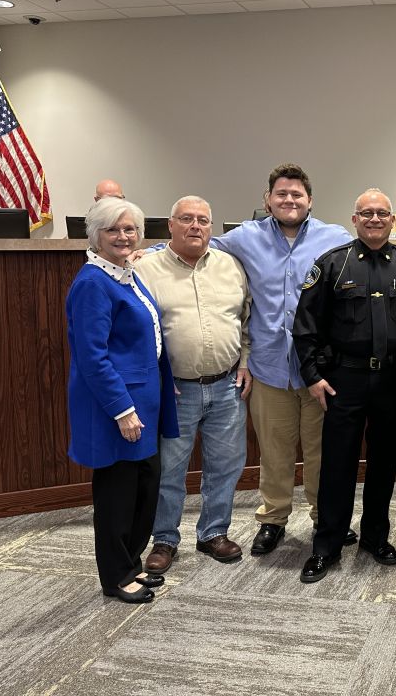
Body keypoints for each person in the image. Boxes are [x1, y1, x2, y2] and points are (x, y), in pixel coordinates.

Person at [208, 163, 351, 556]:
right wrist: (148, 250)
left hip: (320, 369)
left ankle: (327, 517)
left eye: (297, 195)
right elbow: (202, 245)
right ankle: (273, 519)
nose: (289, 200)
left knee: (323, 450)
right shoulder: (244, 237)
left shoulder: (335, 237)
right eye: (281, 194)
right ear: (267, 200)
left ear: (310, 200)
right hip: (269, 367)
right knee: (274, 451)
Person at [293, 188, 396, 583]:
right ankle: (327, 545)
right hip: (343, 379)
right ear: (355, 219)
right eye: (366, 213)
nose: (374, 219)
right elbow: (305, 326)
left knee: (384, 463)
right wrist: (313, 377)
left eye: (382, 213)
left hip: (391, 380)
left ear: (392, 219)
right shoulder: (332, 264)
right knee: (338, 464)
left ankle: (375, 537)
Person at [66, 197, 178, 604]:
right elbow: (93, 357)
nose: (123, 236)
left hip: (145, 403)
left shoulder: (127, 275)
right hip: (116, 409)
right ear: (95, 236)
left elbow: (150, 339)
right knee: (117, 497)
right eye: (113, 229)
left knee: (144, 491)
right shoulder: (93, 283)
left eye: (129, 228)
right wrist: (123, 410)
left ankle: (131, 564)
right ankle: (115, 577)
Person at [136, 196, 252, 575]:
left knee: (226, 466)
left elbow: (247, 319)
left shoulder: (231, 266)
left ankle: (213, 532)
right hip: (176, 392)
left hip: (226, 387)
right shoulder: (147, 268)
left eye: (203, 219)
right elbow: (135, 330)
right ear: (170, 225)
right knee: (170, 470)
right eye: (186, 219)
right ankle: (165, 539)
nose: (195, 226)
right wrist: (154, 376)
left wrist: (246, 362)